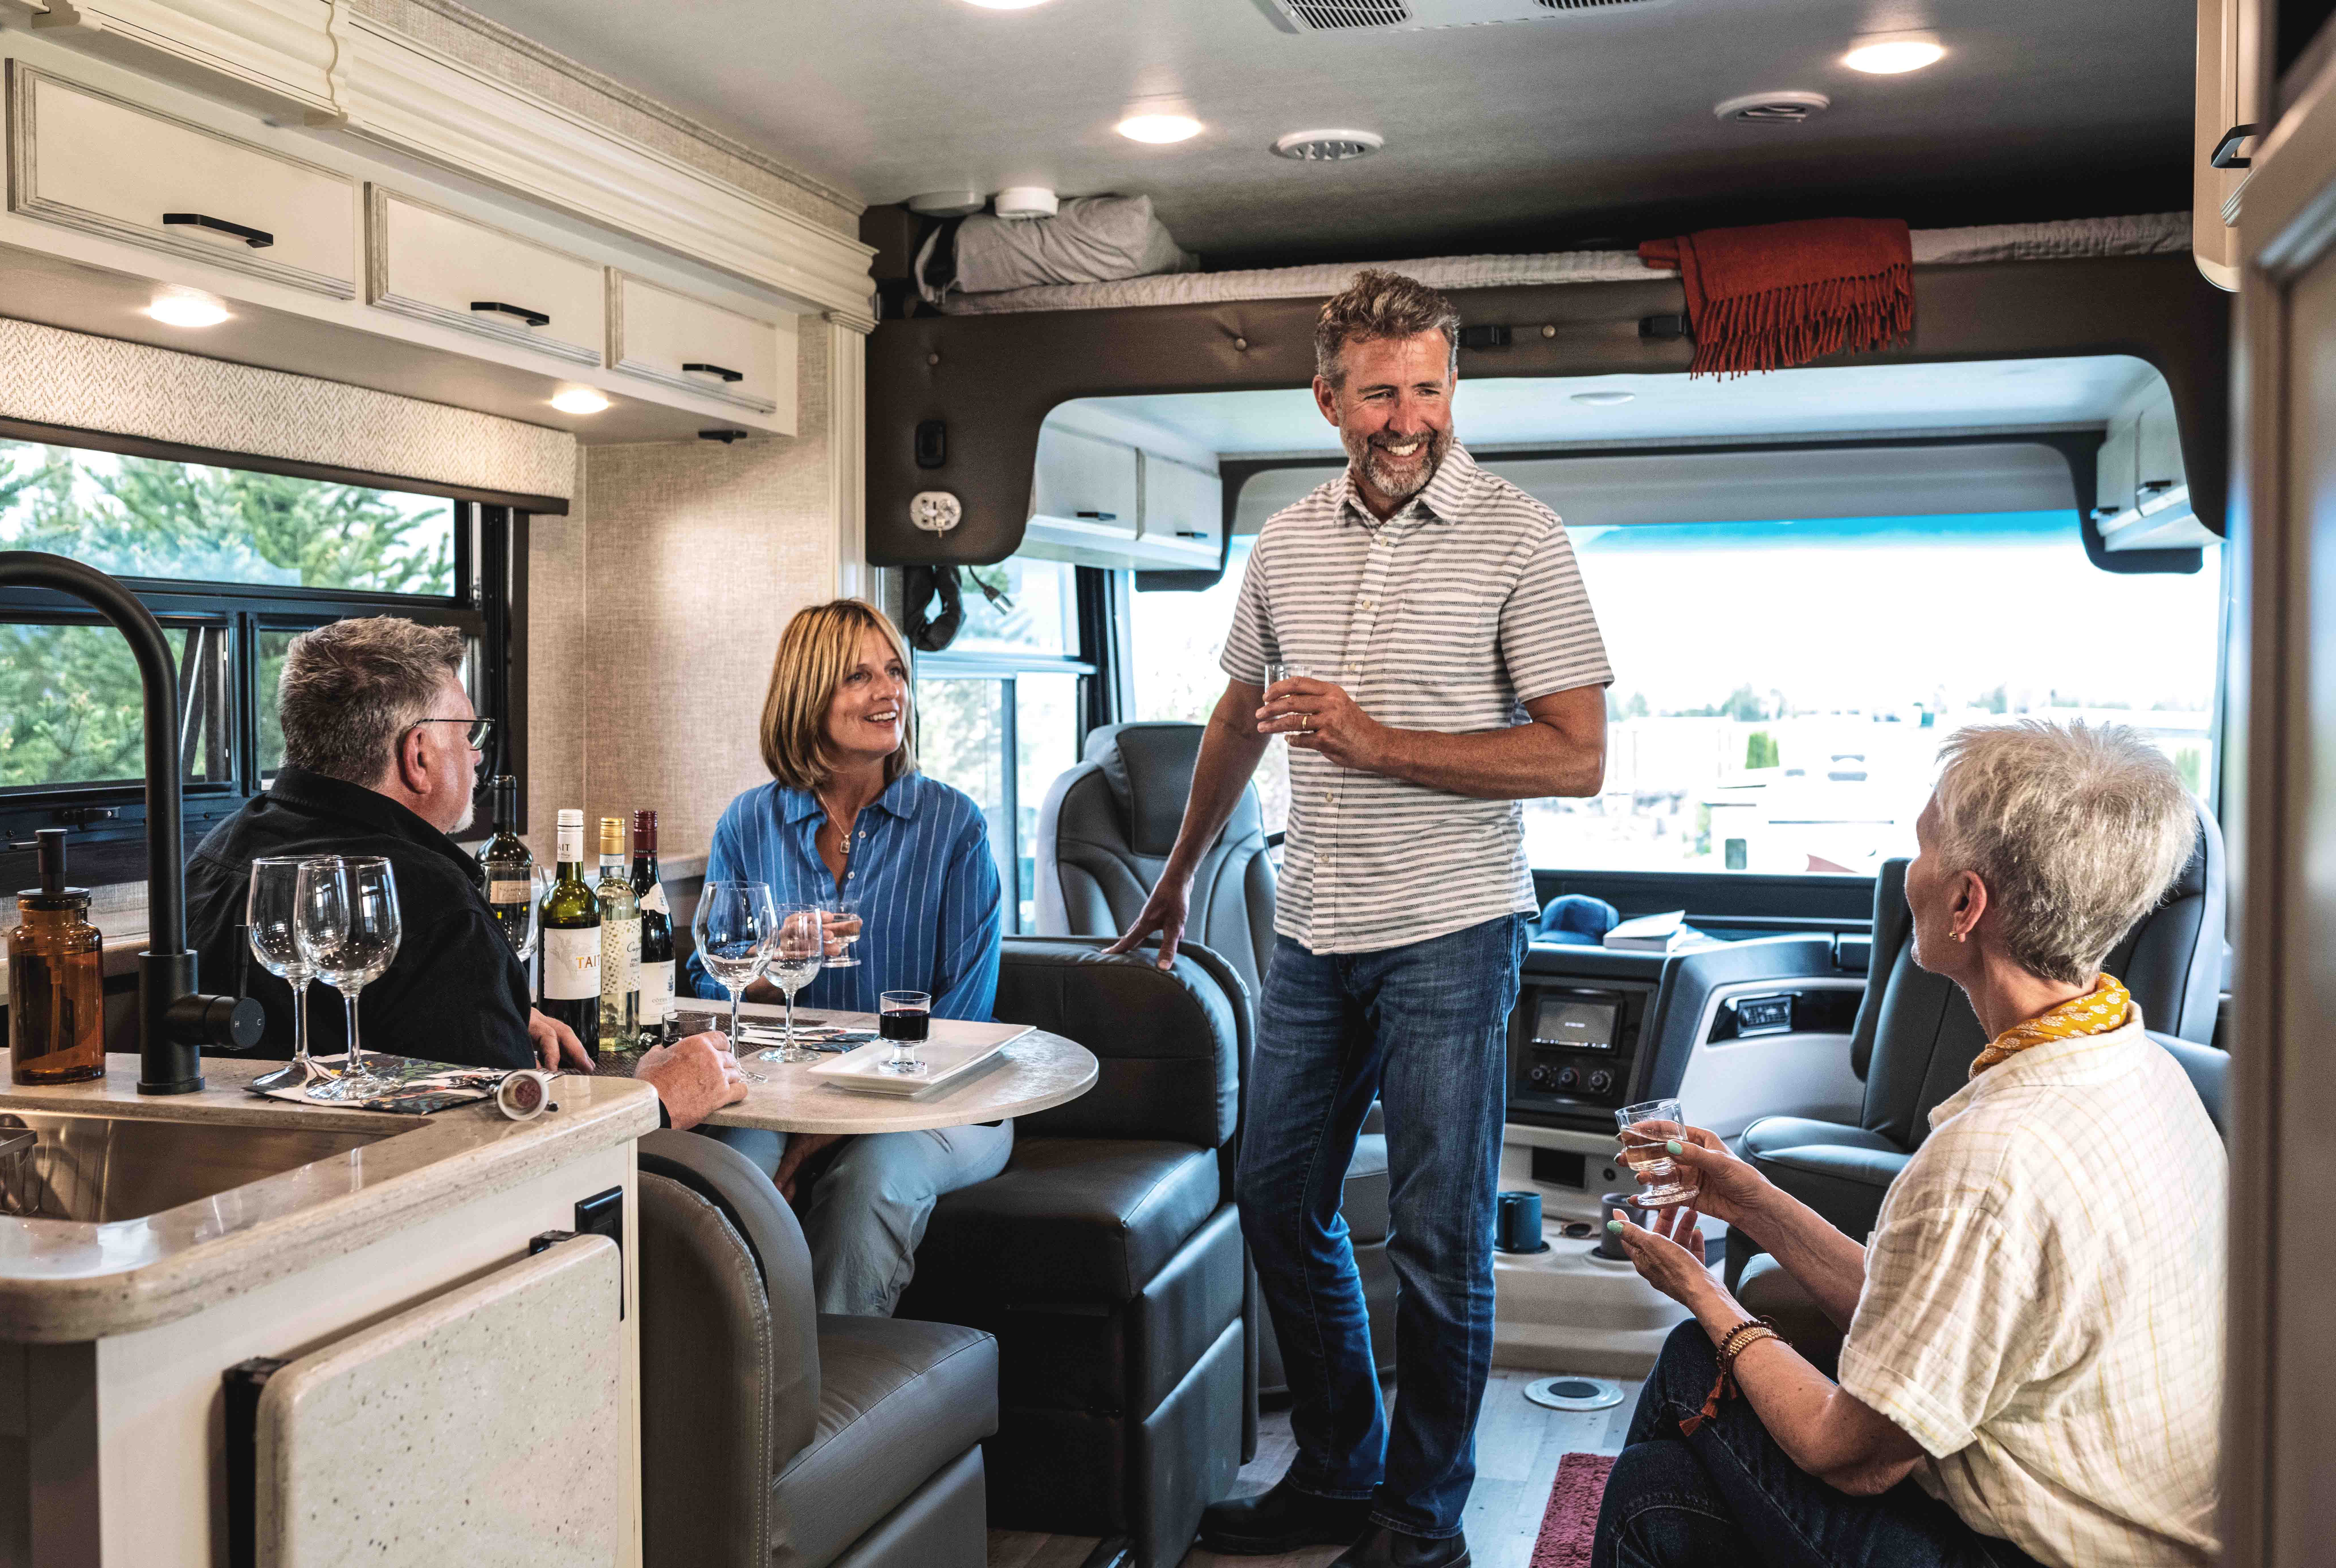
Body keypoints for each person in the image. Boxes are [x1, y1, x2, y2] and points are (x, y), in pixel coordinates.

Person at [1112, 270, 1612, 1568]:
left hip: (1452, 926)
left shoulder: (1521, 536)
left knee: (1442, 1237)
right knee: (1279, 1200)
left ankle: (1420, 1515)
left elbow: (1573, 758)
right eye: (1381, 390)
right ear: (1327, 396)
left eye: (1430, 387)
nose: (1409, 416)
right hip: (1314, 928)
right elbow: (1236, 716)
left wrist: (1374, 739)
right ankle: (1337, 1470)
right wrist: (1173, 883)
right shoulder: (1282, 542)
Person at [1600, 720, 2223, 1568]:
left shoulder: (1992, 1161)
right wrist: (1743, 1193)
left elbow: (1847, 1455)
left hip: (2046, 1555)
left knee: (1654, 1480)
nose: (1908, 875)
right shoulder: (2140, 1065)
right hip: (2147, 1518)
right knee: (1673, 1465)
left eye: (1922, 846)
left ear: (1967, 904)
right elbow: (1924, 1313)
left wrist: (1700, 1289)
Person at [187, 616, 747, 1131]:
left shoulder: (214, 854)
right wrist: (653, 1098)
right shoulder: (435, 902)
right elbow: (511, 1146)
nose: (479, 757)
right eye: (469, 735)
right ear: (420, 755)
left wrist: (499, 1013)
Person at [686, 597, 1007, 1316]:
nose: (889, 691)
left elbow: (963, 1021)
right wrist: (774, 964)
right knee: (731, 1176)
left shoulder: (953, 824)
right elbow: (710, 979)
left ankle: (831, 1408)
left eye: (895, 671)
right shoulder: (749, 820)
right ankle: (730, 1386)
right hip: (782, 1091)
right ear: (809, 695)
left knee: (870, 1180)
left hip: (941, 1103)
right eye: (860, 676)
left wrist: (817, 1140)